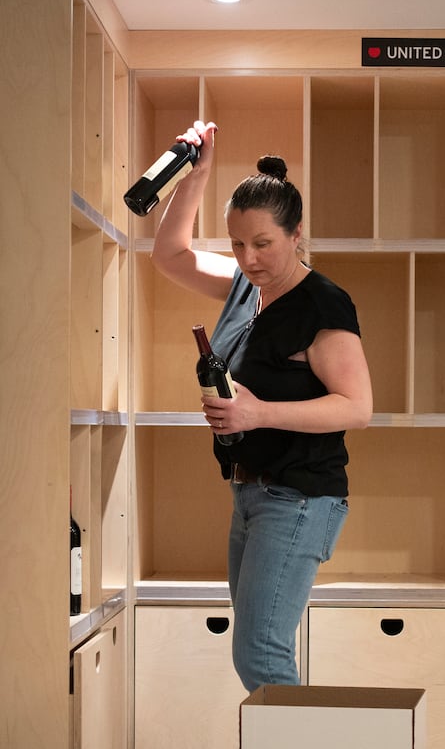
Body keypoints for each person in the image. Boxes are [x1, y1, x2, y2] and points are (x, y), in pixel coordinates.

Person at [151, 120, 372, 694]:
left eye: (263, 244)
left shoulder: (321, 302)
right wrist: (196, 175)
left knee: (260, 657)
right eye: (237, 244)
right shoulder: (246, 287)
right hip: (250, 494)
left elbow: (357, 407)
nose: (248, 258)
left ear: (296, 235)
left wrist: (259, 413)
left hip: (299, 495)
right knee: (258, 655)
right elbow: (171, 254)